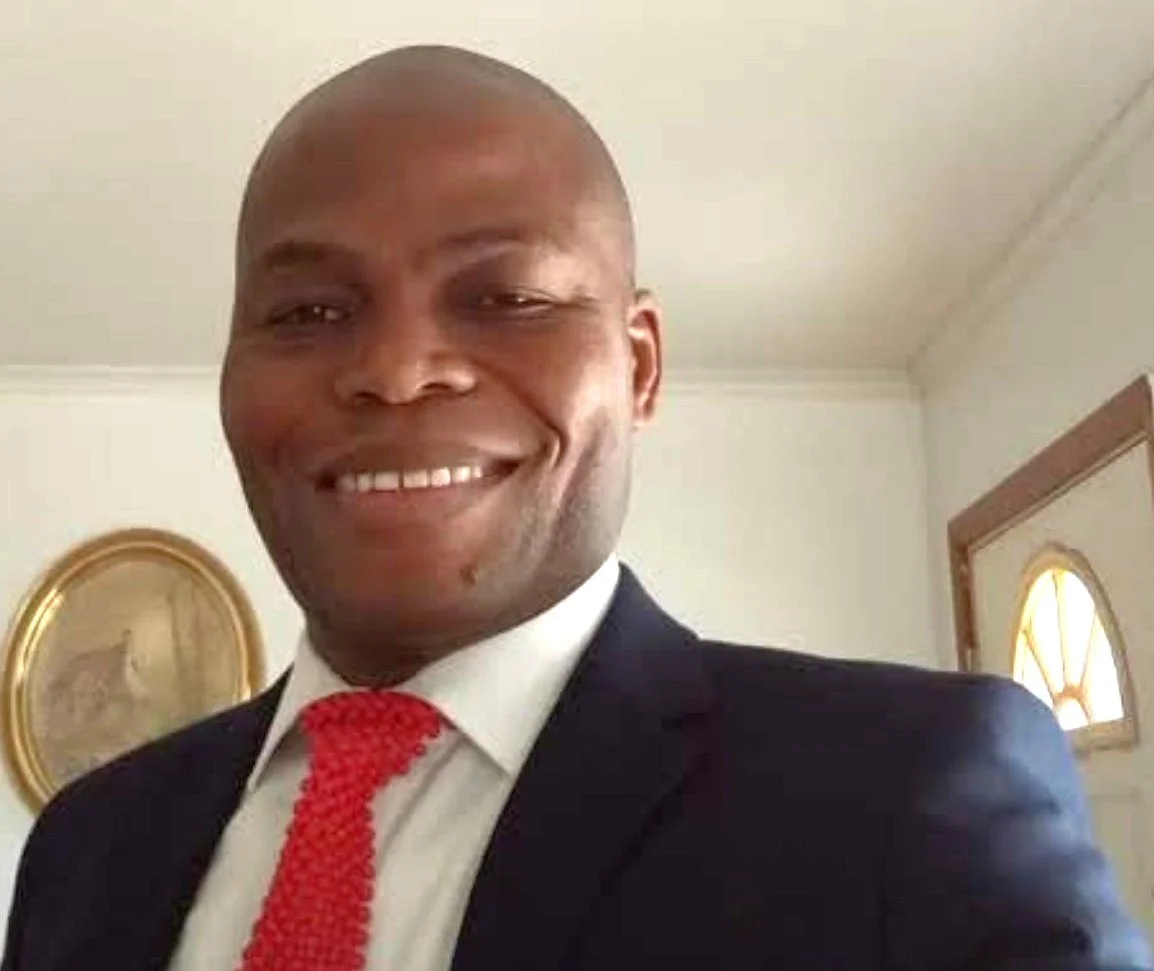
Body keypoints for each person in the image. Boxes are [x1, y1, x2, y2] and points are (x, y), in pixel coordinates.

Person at [2, 44, 1148, 971]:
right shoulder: (87, 847)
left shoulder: (908, 797)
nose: (396, 370)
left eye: (504, 296)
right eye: (305, 313)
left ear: (638, 364)